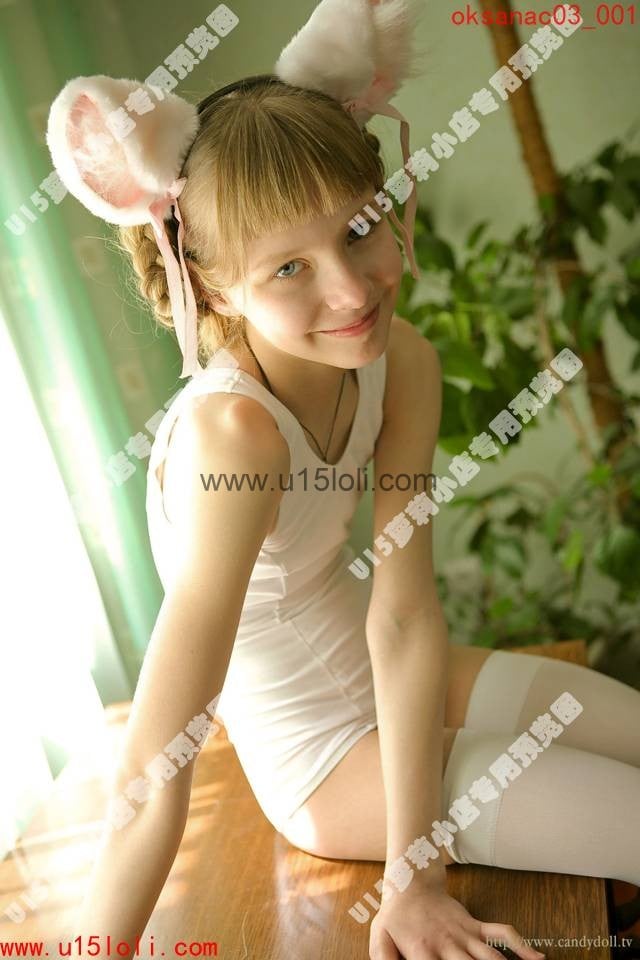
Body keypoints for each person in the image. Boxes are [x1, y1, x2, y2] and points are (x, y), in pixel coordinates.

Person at [45, 6, 640, 960]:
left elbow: (403, 614)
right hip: (319, 758)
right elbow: (155, 768)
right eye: (289, 266)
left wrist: (419, 867)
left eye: (360, 228)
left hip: (398, 670)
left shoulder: (404, 362)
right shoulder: (235, 437)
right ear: (215, 288)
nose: (353, 290)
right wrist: (412, 878)